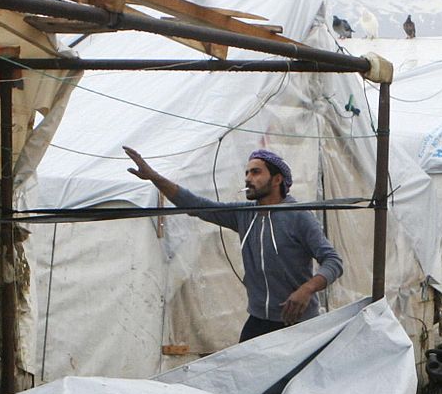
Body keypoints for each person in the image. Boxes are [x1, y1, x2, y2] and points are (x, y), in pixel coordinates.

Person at [123, 146, 343, 341]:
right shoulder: (244, 215)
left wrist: (306, 289)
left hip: (298, 322)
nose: (248, 178)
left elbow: (333, 261)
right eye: (246, 173)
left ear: (277, 180)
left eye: (256, 172)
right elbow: (196, 205)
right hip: (259, 321)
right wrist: (154, 177)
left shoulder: (299, 216)